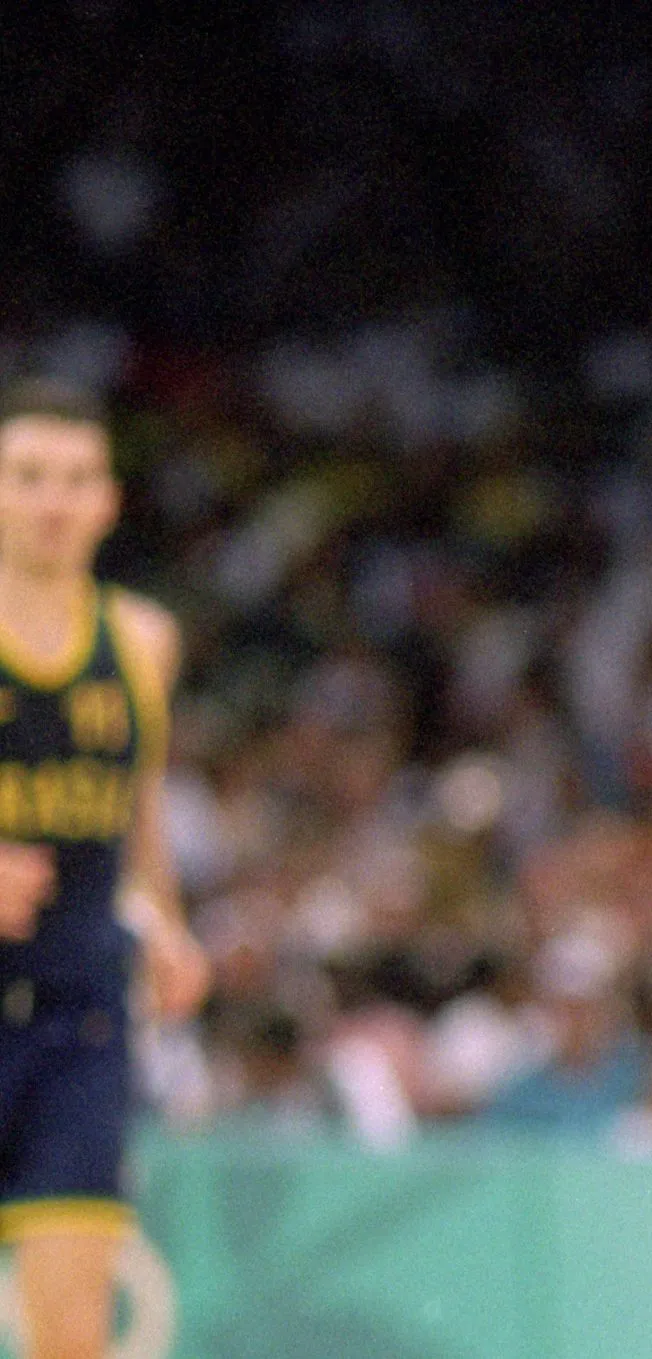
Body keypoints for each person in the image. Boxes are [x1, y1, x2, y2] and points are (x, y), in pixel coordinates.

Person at [0, 379, 208, 1359]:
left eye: (76, 479)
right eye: (29, 476)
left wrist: (166, 922)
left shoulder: (142, 639)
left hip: (79, 1014)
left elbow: (141, 812)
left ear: (108, 500)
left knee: (74, 1339)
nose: (53, 500)